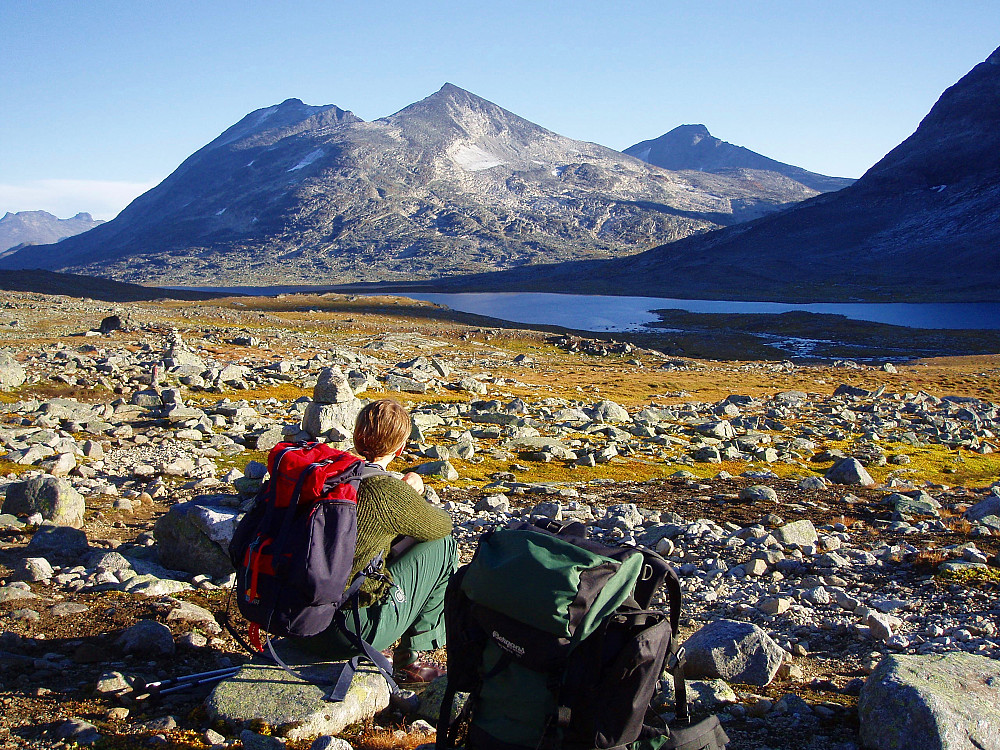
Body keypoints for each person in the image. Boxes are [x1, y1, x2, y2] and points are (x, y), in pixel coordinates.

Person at [291, 398, 456, 682]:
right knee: (444, 545)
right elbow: (442, 526)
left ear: (355, 438)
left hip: (292, 623)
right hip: (346, 634)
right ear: (400, 447)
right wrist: (414, 491)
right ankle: (410, 659)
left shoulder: (329, 475)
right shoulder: (388, 491)